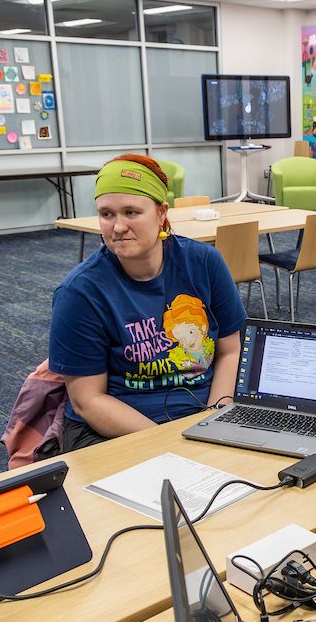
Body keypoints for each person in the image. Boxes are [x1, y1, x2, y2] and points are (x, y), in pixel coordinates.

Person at [49, 154, 246, 452]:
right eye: (106, 214)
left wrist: (214, 419)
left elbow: (230, 350)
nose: (117, 227)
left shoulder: (204, 262)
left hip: (204, 412)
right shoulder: (80, 292)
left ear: (161, 213)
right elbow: (88, 400)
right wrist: (170, 444)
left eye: (131, 212)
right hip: (118, 428)